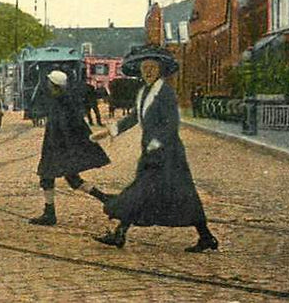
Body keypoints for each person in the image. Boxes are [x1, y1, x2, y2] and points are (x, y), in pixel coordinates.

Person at [90, 46, 218, 253]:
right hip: (152, 154)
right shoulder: (143, 92)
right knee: (163, 193)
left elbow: (171, 123)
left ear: (160, 70)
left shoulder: (165, 92)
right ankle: (206, 236)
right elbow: (134, 118)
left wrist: (156, 143)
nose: (148, 71)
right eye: (144, 67)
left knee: (149, 193)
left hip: (168, 154)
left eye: (152, 67)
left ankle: (119, 234)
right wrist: (108, 132)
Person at [29, 70, 112, 226]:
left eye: (49, 82)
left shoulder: (60, 102)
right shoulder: (65, 99)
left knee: (47, 176)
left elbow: (64, 127)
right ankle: (104, 198)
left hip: (56, 147)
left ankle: (49, 213)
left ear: (54, 85)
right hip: (60, 147)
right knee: (73, 179)